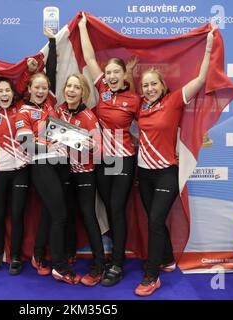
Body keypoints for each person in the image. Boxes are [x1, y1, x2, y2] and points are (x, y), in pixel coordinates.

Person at [133, 27, 216, 296]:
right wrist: (125, 70)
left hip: (167, 172)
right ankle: (167, 259)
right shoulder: (139, 106)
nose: (149, 88)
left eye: (153, 84)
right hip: (143, 174)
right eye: (145, 85)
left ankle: (151, 275)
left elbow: (202, 78)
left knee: (156, 221)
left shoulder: (173, 100)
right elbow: (112, 88)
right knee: (153, 220)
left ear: (162, 84)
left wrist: (208, 46)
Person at [78, 13, 141, 286]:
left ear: (125, 74)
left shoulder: (135, 99)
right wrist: (82, 27)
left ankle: (116, 264)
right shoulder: (102, 87)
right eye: (110, 72)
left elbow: (151, 125)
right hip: (102, 159)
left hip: (123, 159)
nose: (112, 76)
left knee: (116, 208)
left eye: (117, 72)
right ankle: (116, 254)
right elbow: (90, 59)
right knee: (108, 206)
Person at [15, 28, 81, 285]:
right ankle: (59, 266)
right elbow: (26, 146)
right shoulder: (24, 111)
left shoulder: (51, 105)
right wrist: (55, 140)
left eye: (45, 87)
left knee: (50, 213)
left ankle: (38, 256)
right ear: (29, 89)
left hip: (62, 165)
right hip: (42, 166)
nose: (42, 91)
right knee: (59, 215)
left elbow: (51, 68)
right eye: (37, 87)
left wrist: (53, 41)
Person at [56, 74, 107, 286]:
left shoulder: (89, 116)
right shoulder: (58, 110)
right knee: (66, 213)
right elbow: (48, 134)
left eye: (76, 87)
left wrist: (93, 146)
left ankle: (99, 265)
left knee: (87, 215)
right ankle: (69, 252)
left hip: (85, 172)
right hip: (63, 172)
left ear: (83, 92)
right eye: (69, 86)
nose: (71, 90)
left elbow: (99, 151)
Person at [0, 76, 31, 275]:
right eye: (0, 91)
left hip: (21, 170)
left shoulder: (21, 109)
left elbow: (24, 83)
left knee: (18, 214)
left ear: (13, 93)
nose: (5, 94)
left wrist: (28, 71)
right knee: (0, 214)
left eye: (8, 90)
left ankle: (16, 256)